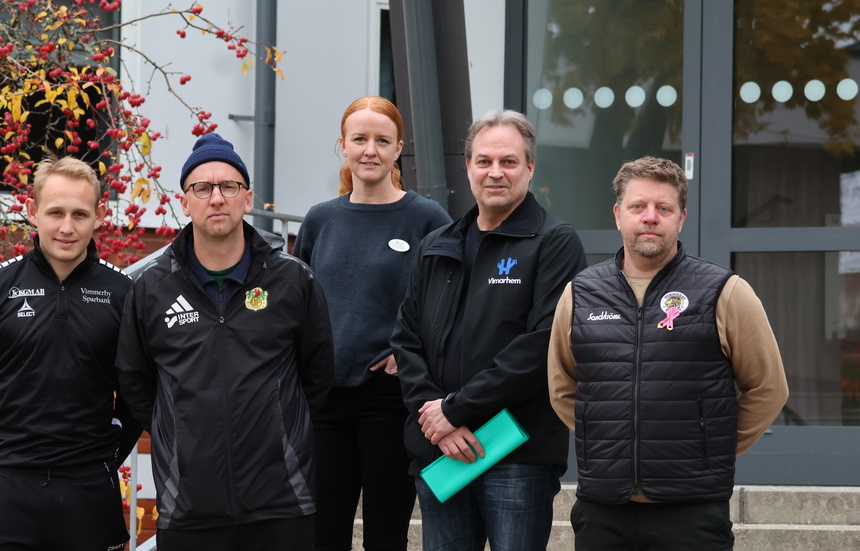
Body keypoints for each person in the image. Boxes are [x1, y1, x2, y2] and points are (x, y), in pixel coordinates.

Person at [547, 156, 789, 551]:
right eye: (638, 206)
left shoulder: (724, 291)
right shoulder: (581, 293)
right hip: (603, 509)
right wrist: (615, 441)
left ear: (681, 218)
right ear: (618, 215)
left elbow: (768, 388)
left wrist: (709, 445)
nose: (650, 217)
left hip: (691, 512)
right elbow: (562, 386)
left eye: (664, 208)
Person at [115, 133, 335, 550]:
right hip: (189, 505)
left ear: (247, 198)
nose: (216, 198)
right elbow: (136, 383)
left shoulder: (292, 279)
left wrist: (279, 428)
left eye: (228, 186)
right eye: (202, 188)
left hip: (282, 502)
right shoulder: (151, 289)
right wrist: (179, 438)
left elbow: (317, 376)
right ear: (185, 202)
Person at [391, 109, 587, 551]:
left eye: (509, 161)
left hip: (516, 452)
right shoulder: (436, 245)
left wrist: (456, 410)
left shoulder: (554, 242)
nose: (495, 172)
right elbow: (406, 338)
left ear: (530, 167)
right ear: (468, 166)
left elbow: (540, 347)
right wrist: (437, 419)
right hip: (441, 450)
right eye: (483, 161)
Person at [0, 155, 140, 550]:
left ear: (100, 215)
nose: (66, 228)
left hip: (89, 495)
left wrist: (99, 462)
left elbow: (137, 396)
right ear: (32, 212)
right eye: (55, 213)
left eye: (79, 214)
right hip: (4, 493)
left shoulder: (126, 296)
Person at [294, 96, 452, 550]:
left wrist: (410, 354)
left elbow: (450, 302)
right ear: (341, 145)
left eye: (382, 140)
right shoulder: (321, 220)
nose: (370, 150)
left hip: (390, 400)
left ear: (398, 148)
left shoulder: (427, 220)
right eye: (359, 139)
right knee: (324, 535)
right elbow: (298, 302)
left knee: (385, 536)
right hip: (324, 402)